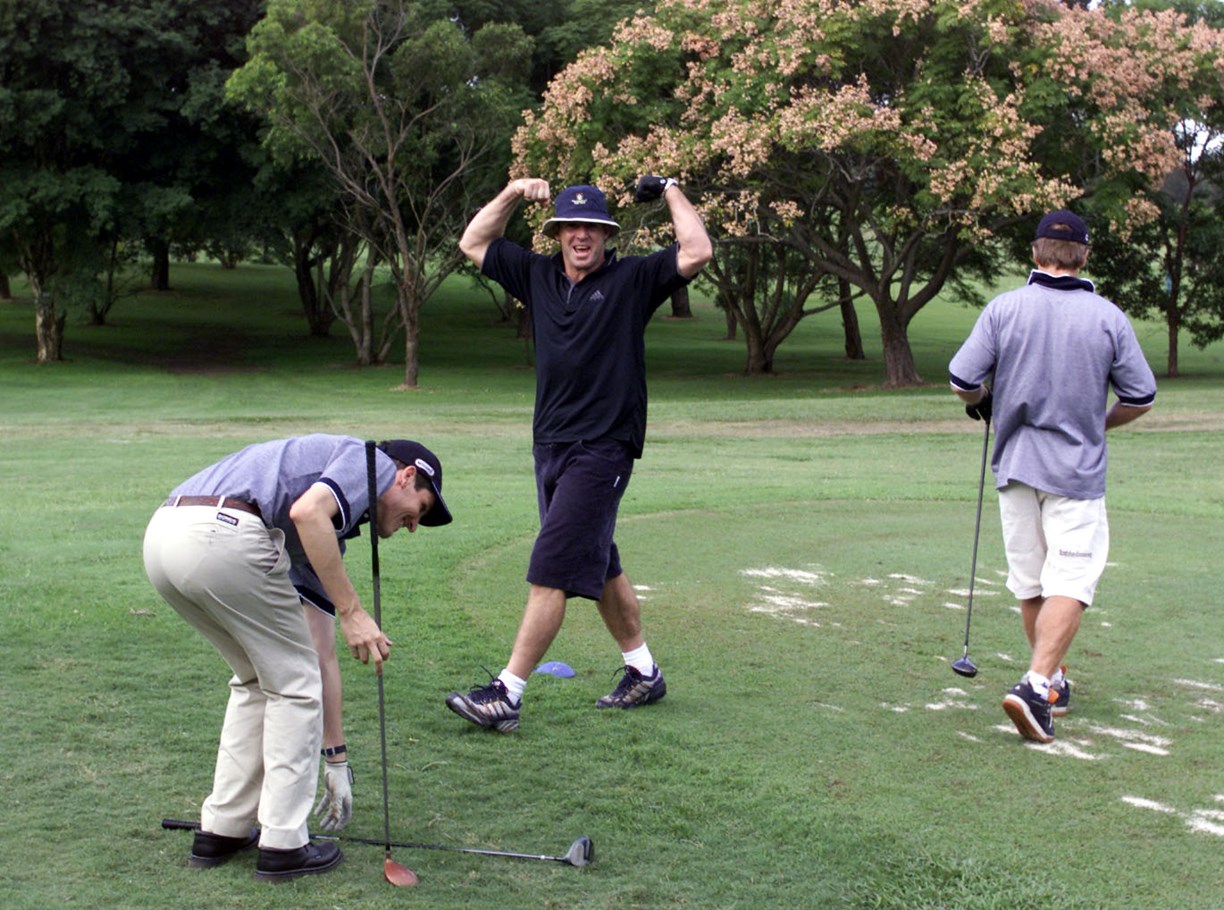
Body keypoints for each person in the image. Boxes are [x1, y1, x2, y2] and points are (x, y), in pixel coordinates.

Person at [445, 176, 712, 732]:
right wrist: (513, 192)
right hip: (549, 445)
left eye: (592, 226)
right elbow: (473, 242)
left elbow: (697, 250)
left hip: (604, 447)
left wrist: (669, 190)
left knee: (554, 565)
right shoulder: (536, 275)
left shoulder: (631, 279)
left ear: (607, 234)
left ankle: (507, 694)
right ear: (557, 233)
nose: (581, 235)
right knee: (598, 559)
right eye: (571, 226)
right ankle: (644, 671)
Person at [143, 434, 451, 880]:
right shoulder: (372, 462)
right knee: (292, 686)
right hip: (222, 534)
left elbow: (321, 654)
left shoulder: (324, 537)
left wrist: (337, 760)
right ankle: (283, 844)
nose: (414, 526)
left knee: (259, 679)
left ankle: (223, 829)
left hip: (165, 537)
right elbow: (307, 513)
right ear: (405, 476)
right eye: (420, 508)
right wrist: (353, 611)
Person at [949, 210, 1156, 744]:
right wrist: (1098, 425)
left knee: (1033, 583)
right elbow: (1140, 396)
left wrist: (982, 401)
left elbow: (961, 379)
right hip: (1076, 471)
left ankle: (1053, 683)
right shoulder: (1107, 316)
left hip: (1016, 467)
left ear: (1035, 253)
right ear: (1083, 255)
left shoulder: (1004, 308)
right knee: (1071, 581)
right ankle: (1037, 685)